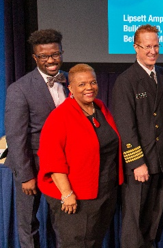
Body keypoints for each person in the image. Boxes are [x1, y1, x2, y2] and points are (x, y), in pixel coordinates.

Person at [37, 64, 123, 247]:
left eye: (93, 82)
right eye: (82, 84)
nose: (89, 88)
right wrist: (67, 194)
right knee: (75, 243)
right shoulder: (60, 116)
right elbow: (52, 159)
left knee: (93, 241)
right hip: (75, 195)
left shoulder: (100, 108)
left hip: (104, 192)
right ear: (71, 88)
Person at [4, 29, 67, 247]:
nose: (51, 60)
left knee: (64, 221)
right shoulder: (19, 89)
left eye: (55, 54)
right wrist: (25, 176)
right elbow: (16, 136)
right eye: (44, 56)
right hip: (32, 163)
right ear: (35, 58)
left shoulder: (70, 82)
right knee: (28, 223)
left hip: (61, 165)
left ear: (61, 53)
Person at [112, 24, 163, 248]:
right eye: (147, 47)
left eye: (156, 46)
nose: (152, 51)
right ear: (135, 47)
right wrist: (137, 163)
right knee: (135, 219)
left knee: (153, 217)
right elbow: (126, 127)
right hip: (140, 162)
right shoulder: (125, 81)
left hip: (159, 159)